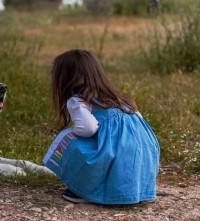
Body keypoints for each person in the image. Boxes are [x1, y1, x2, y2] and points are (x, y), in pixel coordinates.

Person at [43, 49, 160, 204]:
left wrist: (75, 131)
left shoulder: (78, 101)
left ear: (65, 79)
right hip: (143, 154)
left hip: (115, 155)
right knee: (116, 147)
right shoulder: (119, 99)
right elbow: (139, 122)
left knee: (67, 139)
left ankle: (84, 189)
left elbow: (88, 128)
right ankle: (136, 188)